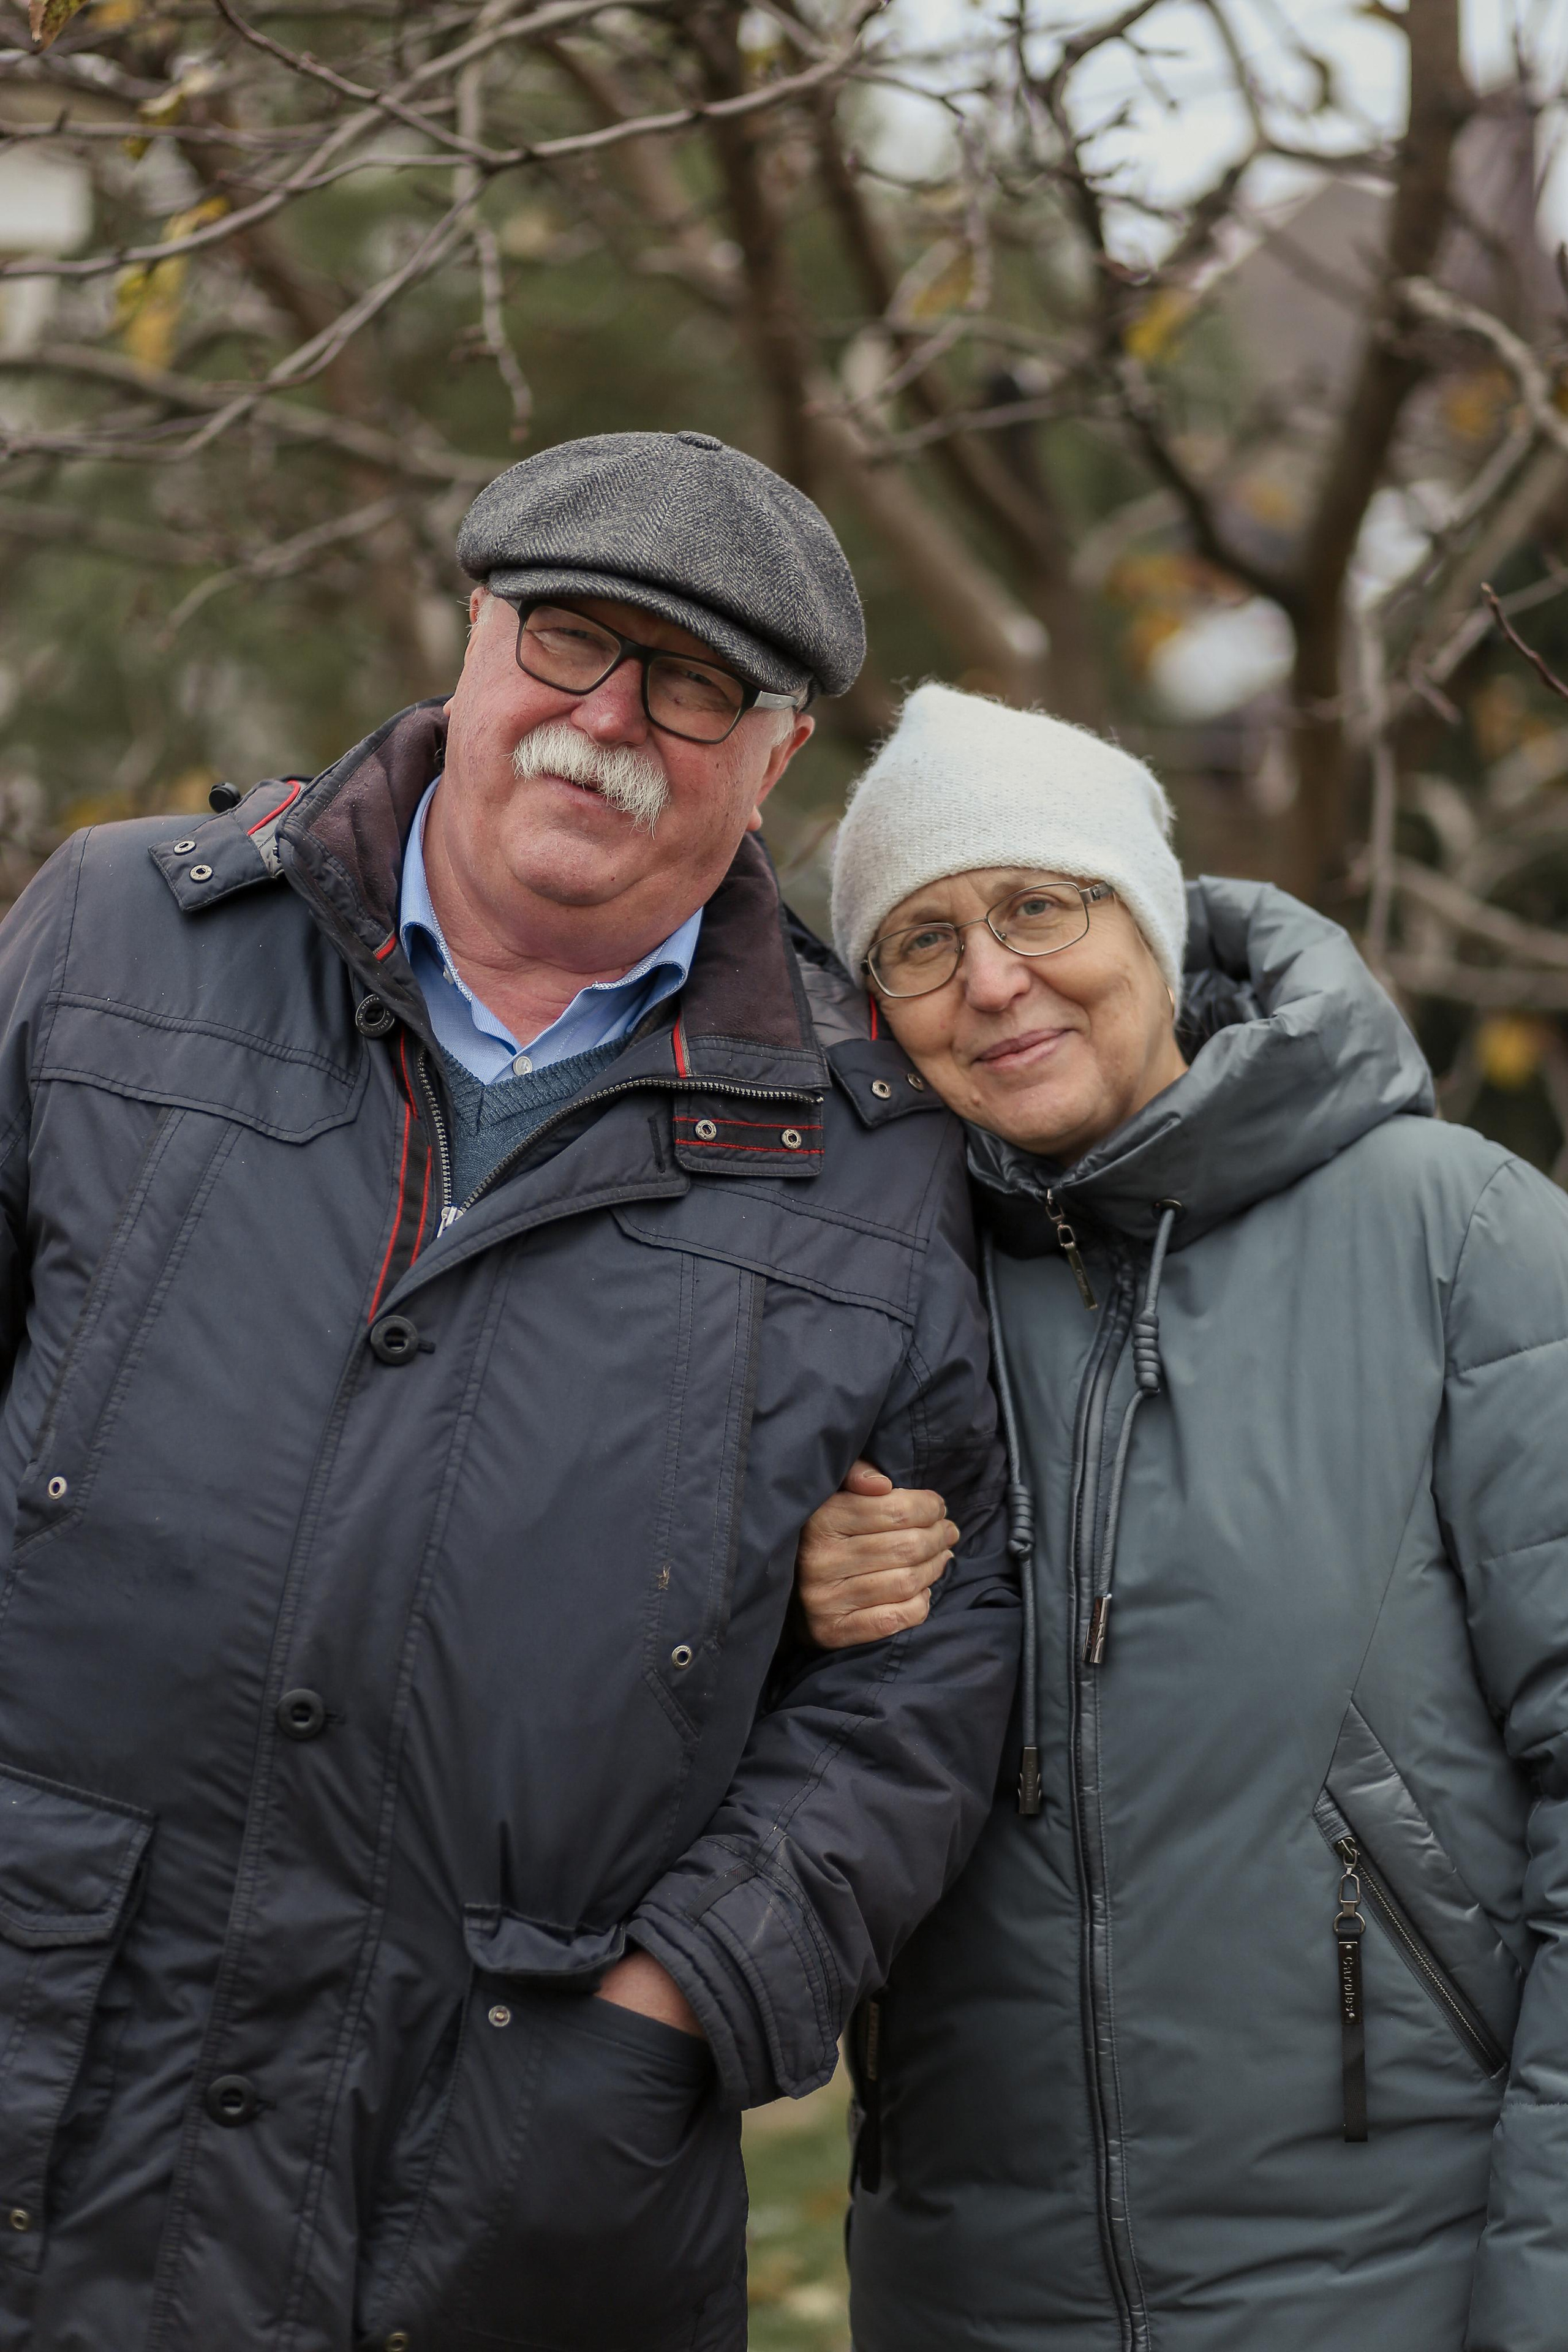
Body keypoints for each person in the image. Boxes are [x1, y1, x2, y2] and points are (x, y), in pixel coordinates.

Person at [0, 439, 1020, 2352]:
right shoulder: (120, 936)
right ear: (476, 631)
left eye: (692, 682)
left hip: (505, 2168)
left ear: (778, 755)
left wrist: (682, 2003)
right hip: (46, 2062)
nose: (607, 717)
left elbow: (938, 1673)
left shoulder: (874, 1156)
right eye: (569, 637)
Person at [795, 679, 1568, 2352]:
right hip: (971, 2296)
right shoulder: (862, 1298)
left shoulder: (1453, 1237)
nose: (992, 979)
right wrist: (791, 1615)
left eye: (1037, 905)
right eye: (921, 942)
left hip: (1400, 2279)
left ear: (1146, 915)